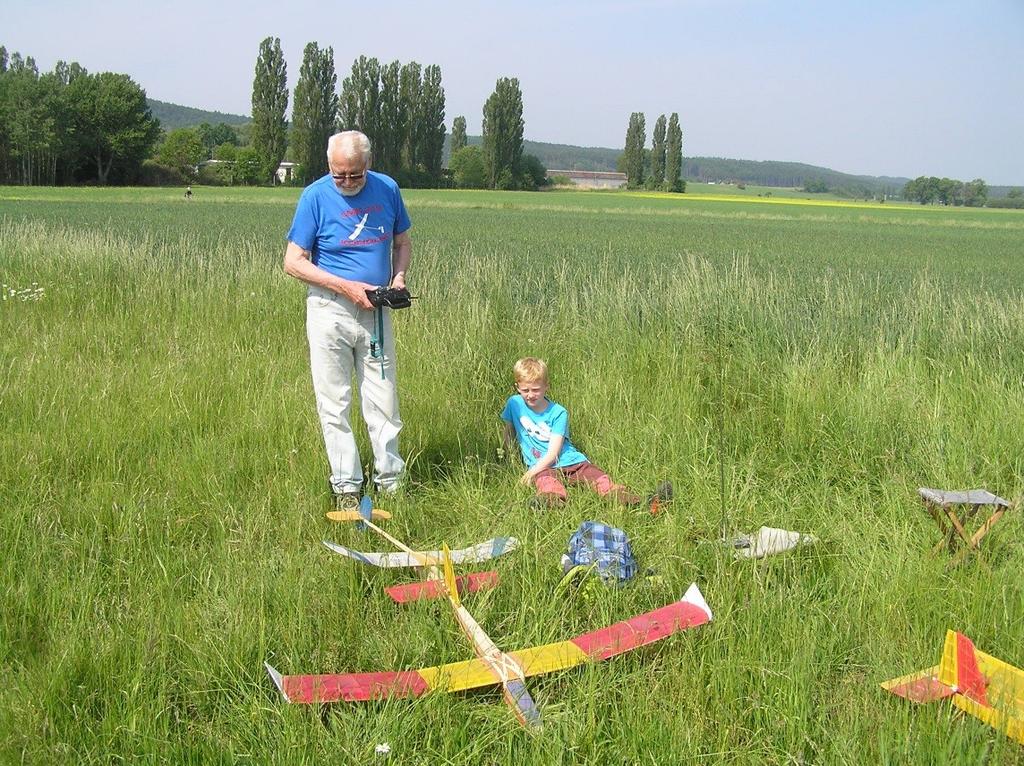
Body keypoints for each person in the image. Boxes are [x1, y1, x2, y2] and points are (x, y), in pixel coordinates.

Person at [283, 131, 411, 510]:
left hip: (376, 312)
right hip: (329, 311)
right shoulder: (314, 196)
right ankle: (347, 487)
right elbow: (293, 262)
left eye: (355, 175)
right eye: (339, 175)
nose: (347, 182)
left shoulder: (387, 189)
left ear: (367, 165)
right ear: (329, 167)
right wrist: (346, 287)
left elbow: (401, 242)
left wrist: (398, 278)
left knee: (383, 400)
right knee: (334, 402)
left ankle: (391, 483)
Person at [501, 357, 640, 508]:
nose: (530, 395)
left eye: (536, 390)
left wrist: (530, 473)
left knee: (599, 479)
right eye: (525, 390)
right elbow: (509, 430)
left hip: (572, 461)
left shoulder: (558, 412)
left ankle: (636, 501)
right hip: (545, 468)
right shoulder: (514, 404)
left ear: (546, 386)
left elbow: (554, 452)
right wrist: (508, 455)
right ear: (517, 387)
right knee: (547, 483)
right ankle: (551, 502)